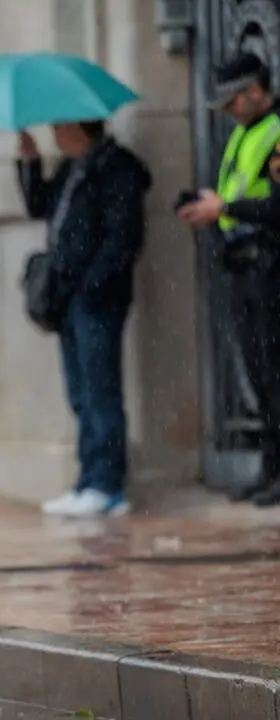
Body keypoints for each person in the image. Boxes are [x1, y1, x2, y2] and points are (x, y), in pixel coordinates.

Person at [19, 118, 151, 517]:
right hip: (67, 296)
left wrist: (92, 283)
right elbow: (39, 205)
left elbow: (124, 237)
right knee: (80, 393)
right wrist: (29, 163)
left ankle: (106, 483)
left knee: (100, 391)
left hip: (96, 297)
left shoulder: (116, 168)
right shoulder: (71, 168)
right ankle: (88, 478)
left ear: (79, 126)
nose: (54, 132)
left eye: (59, 125)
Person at [178, 53, 280, 506]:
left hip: (271, 265)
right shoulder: (246, 133)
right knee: (260, 377)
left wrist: (225, 208)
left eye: (232, 101)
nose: (229, 112)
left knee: (275, 376)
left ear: (255, 90)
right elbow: (239, 191)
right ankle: (270, 467)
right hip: (245, 267)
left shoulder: (276, 131)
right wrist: (211, 204)